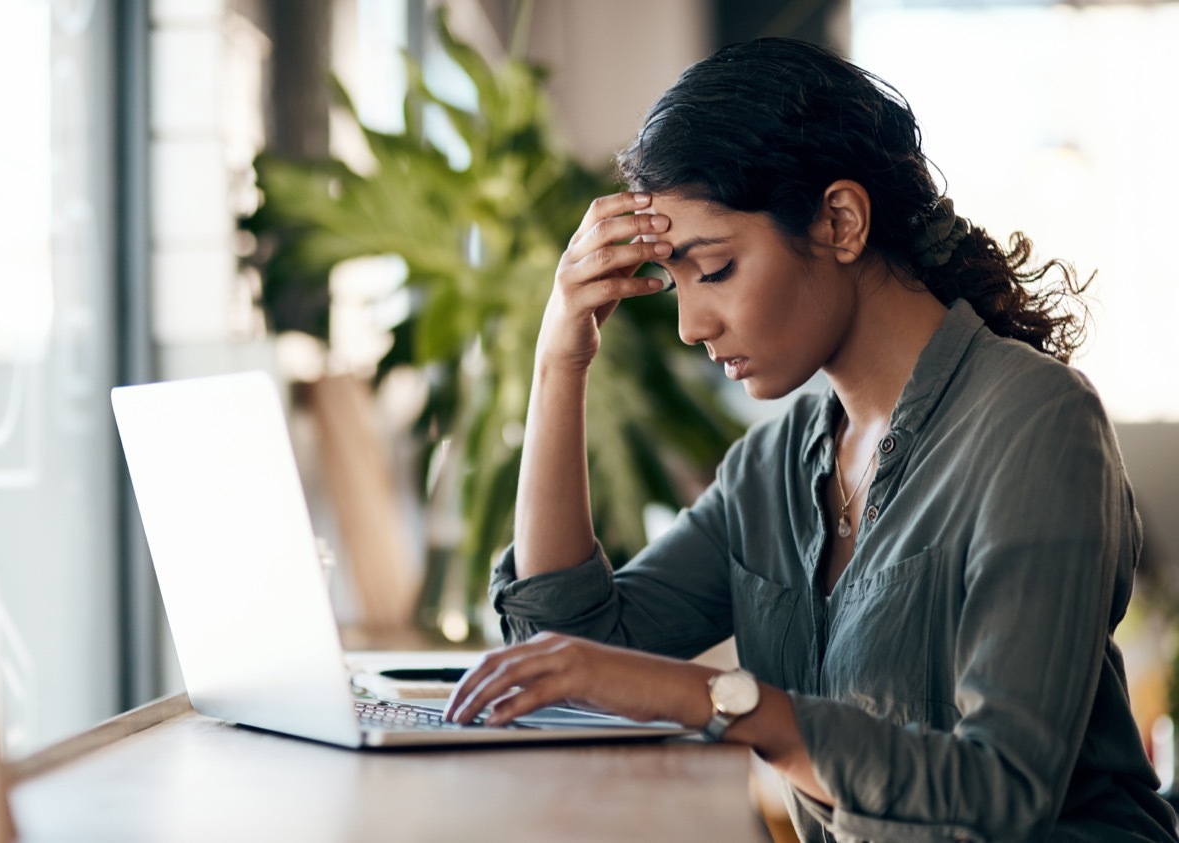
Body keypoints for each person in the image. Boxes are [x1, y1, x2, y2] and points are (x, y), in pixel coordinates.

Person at [442, 37, 1178, 842]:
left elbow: (999, 794)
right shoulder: (771, 467)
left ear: (840, 220)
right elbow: (568, 657)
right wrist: (560, 358)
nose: (691, 325)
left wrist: (720, 700)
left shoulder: (1038, 422)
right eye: (676, 283)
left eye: (714, 269)